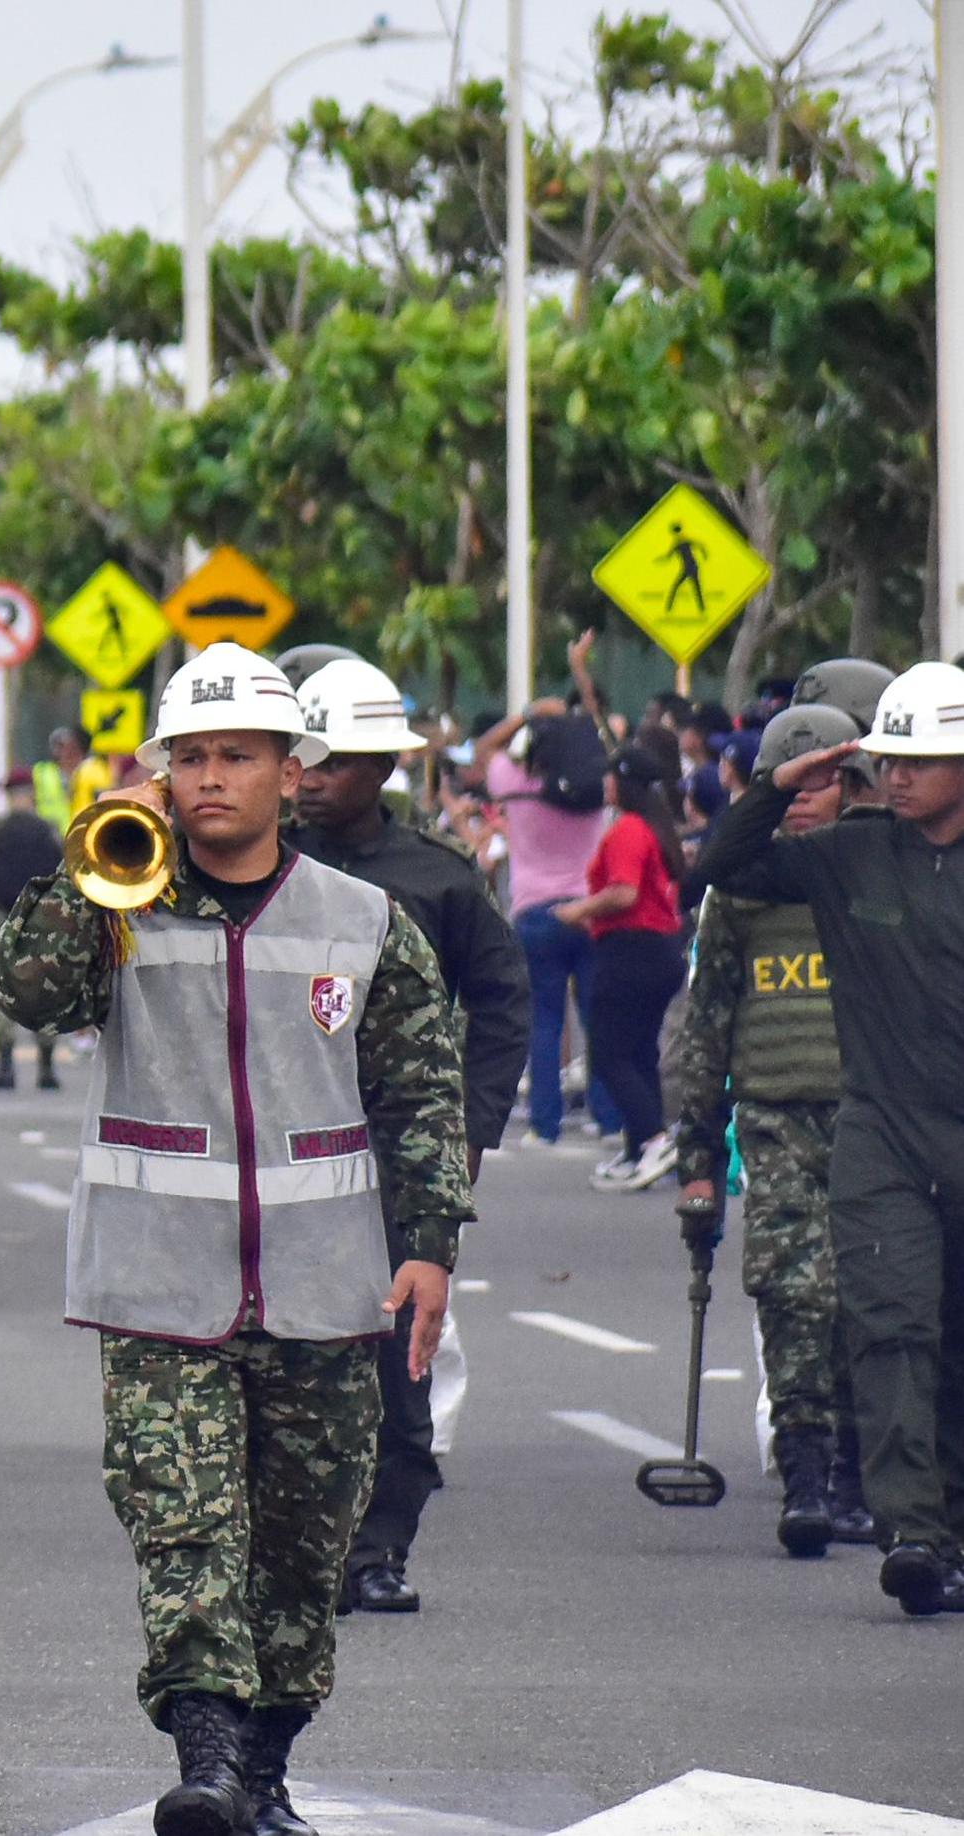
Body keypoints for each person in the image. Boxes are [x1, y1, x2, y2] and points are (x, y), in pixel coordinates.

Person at [0, 645, 469, 1836]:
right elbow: (21, 990)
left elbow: (421, 1090)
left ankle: (262, 1773)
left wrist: (431, 1243)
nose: (208, 780)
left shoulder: (364, 923)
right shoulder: (119, 899)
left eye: (234, 756)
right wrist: (92, 857)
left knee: (304, 1561)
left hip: (323, 1293)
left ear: (289, 771)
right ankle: (204, 1762)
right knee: (187, 1532)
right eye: (187, 758)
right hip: (158, 1293)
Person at [696, 659, 964, 1617]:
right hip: (882, 1139)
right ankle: (915, 1533)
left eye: (920, 761)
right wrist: (781, 784)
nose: (896, 778)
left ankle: (954, 1526)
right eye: (887, 760)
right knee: (891, 1327)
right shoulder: (849, 856)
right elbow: (714, 865)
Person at [289, 658, 530, 1618]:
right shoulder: (255, 864)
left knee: (398, 1354)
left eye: (336, 760)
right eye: (300, 756)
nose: (310, 775)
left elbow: (504, 1006)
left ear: (383, 764)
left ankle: (381, 1546)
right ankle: (299, 1537)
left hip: (396, 1153)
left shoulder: (438, 880)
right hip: (278, 1145)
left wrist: (468, 1134)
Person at [667, 702, 873, 1560]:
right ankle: (810, 1474)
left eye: (824, 779)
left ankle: (871, 1474)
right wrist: (699, 1161)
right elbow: (704, 1031)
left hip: (877, 1118)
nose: (803, 798)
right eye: (787, 781)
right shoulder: (744, 896)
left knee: (873, 1299)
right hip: (776, 1119)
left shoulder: (876, 873)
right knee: (796, 1295)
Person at [479, 631, 621, 1147]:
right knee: (595, 1018)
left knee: (543, 1022)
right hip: (589, 911)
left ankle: (544, 1124)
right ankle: (608, 1120)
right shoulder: (593, 796)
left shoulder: (515, 791)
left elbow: (483, 749)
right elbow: (610, 744)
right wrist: (581, 679)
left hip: (535, 914)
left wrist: (528, 713)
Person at [562, 742, 691, 1190]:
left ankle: (654, 1139)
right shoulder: (653, 827)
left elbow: (624, 892)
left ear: (624, 782)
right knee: (639, 1053)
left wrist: (578, 911)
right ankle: (640, 1146)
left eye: (610, 775)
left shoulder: (629, 831)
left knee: (610, 1054)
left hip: (632, 949)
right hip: (659, 951)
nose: (604, 783)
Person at [0, 770, 68, 1090]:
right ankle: (46, 1067)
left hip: (2, 916)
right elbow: (65, 868)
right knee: (43, 986)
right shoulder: (48, 830)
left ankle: (5, 1067)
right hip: (42, 918)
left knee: (2, 985)